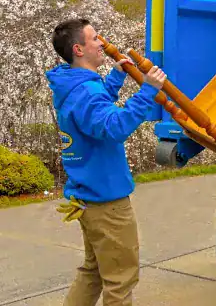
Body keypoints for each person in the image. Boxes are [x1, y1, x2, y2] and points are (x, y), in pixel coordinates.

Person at [46, 18, 166, 306]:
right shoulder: (87, 92)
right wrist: (148, 90)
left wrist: (115, 78)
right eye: (94, 38)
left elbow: (95, 119)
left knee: (94, 272)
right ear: (78, 49)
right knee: (120, 279)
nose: (102, 43)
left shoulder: (73, 86)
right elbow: (114, 127)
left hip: (88, 197)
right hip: (106, 203)